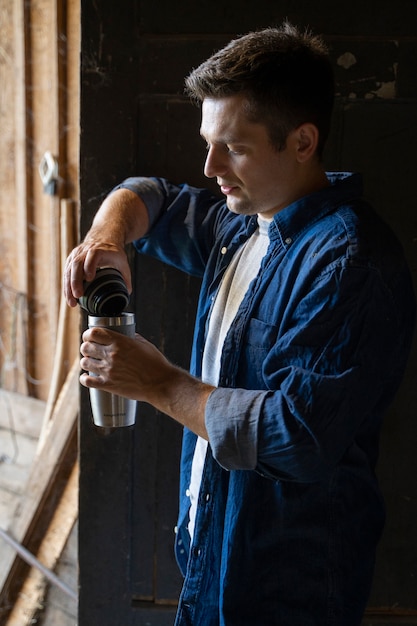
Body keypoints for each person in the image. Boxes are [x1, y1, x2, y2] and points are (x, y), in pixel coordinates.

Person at [64, 22, 415, 626]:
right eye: (208, 142)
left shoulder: (348, 263)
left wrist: (160, 384)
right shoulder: (241, 222)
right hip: (210, 552)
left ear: (302, 141)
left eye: (235, 147)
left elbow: (296, 436)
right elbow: (149, 194)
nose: (210, 166)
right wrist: (107, 237)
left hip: (288, 588)